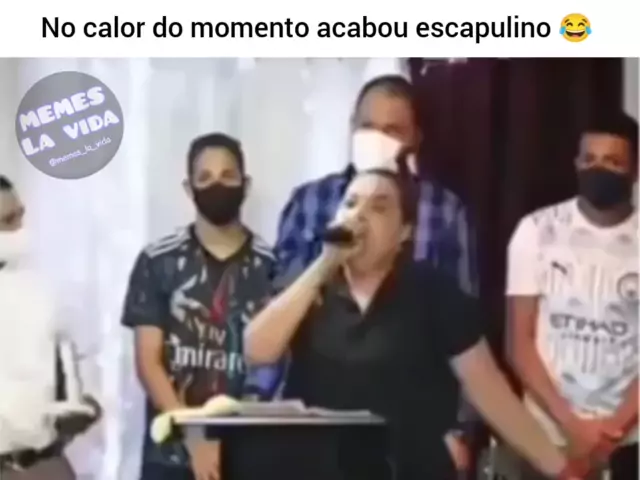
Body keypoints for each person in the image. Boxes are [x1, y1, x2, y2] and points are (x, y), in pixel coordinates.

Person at [245, 164, 586, 480]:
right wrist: (324, 265)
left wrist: (561, 470)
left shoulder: (433, 292)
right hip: (320, 468)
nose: (359, 215)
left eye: (379, 208)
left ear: (404, 232)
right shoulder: (308, 286)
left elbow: (491, 394)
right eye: (350, 204)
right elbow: (257, 350)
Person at [274, 74, 478, 469]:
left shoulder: (445, 210)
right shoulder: (310, 202)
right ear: (352, 128)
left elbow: (466, 331)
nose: (378, 138)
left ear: (415, 139)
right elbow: (278, 312)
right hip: (320, 414)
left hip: (413, 418)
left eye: (392, 130)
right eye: (368, 126)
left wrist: (459, 430)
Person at [121, 133, 277, 480]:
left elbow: (272, 367)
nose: (217, 185)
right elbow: (148, 362)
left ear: (246, 185)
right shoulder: (157, 261)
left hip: (246, 455)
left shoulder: (272, 266)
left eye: (228, 176)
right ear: (189, 188)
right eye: (204, 178)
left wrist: (226, 439)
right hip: (169, 457)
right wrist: (192, 435)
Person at [506, 112, 638, 479]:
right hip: (546, 436)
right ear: (576, 163)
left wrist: (612, 432)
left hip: (628, 442)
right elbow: (519, 344)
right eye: (589, 159)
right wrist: (571, 425)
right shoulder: (535, 231)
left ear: (635, 170)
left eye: (612, 161)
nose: (598, 169)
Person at [0, 175, 101, 480]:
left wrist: (83, 408)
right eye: (8, 221)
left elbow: (85, 375)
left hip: (44, 464)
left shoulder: (43, 290)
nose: (21, 229)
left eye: (21, 216)